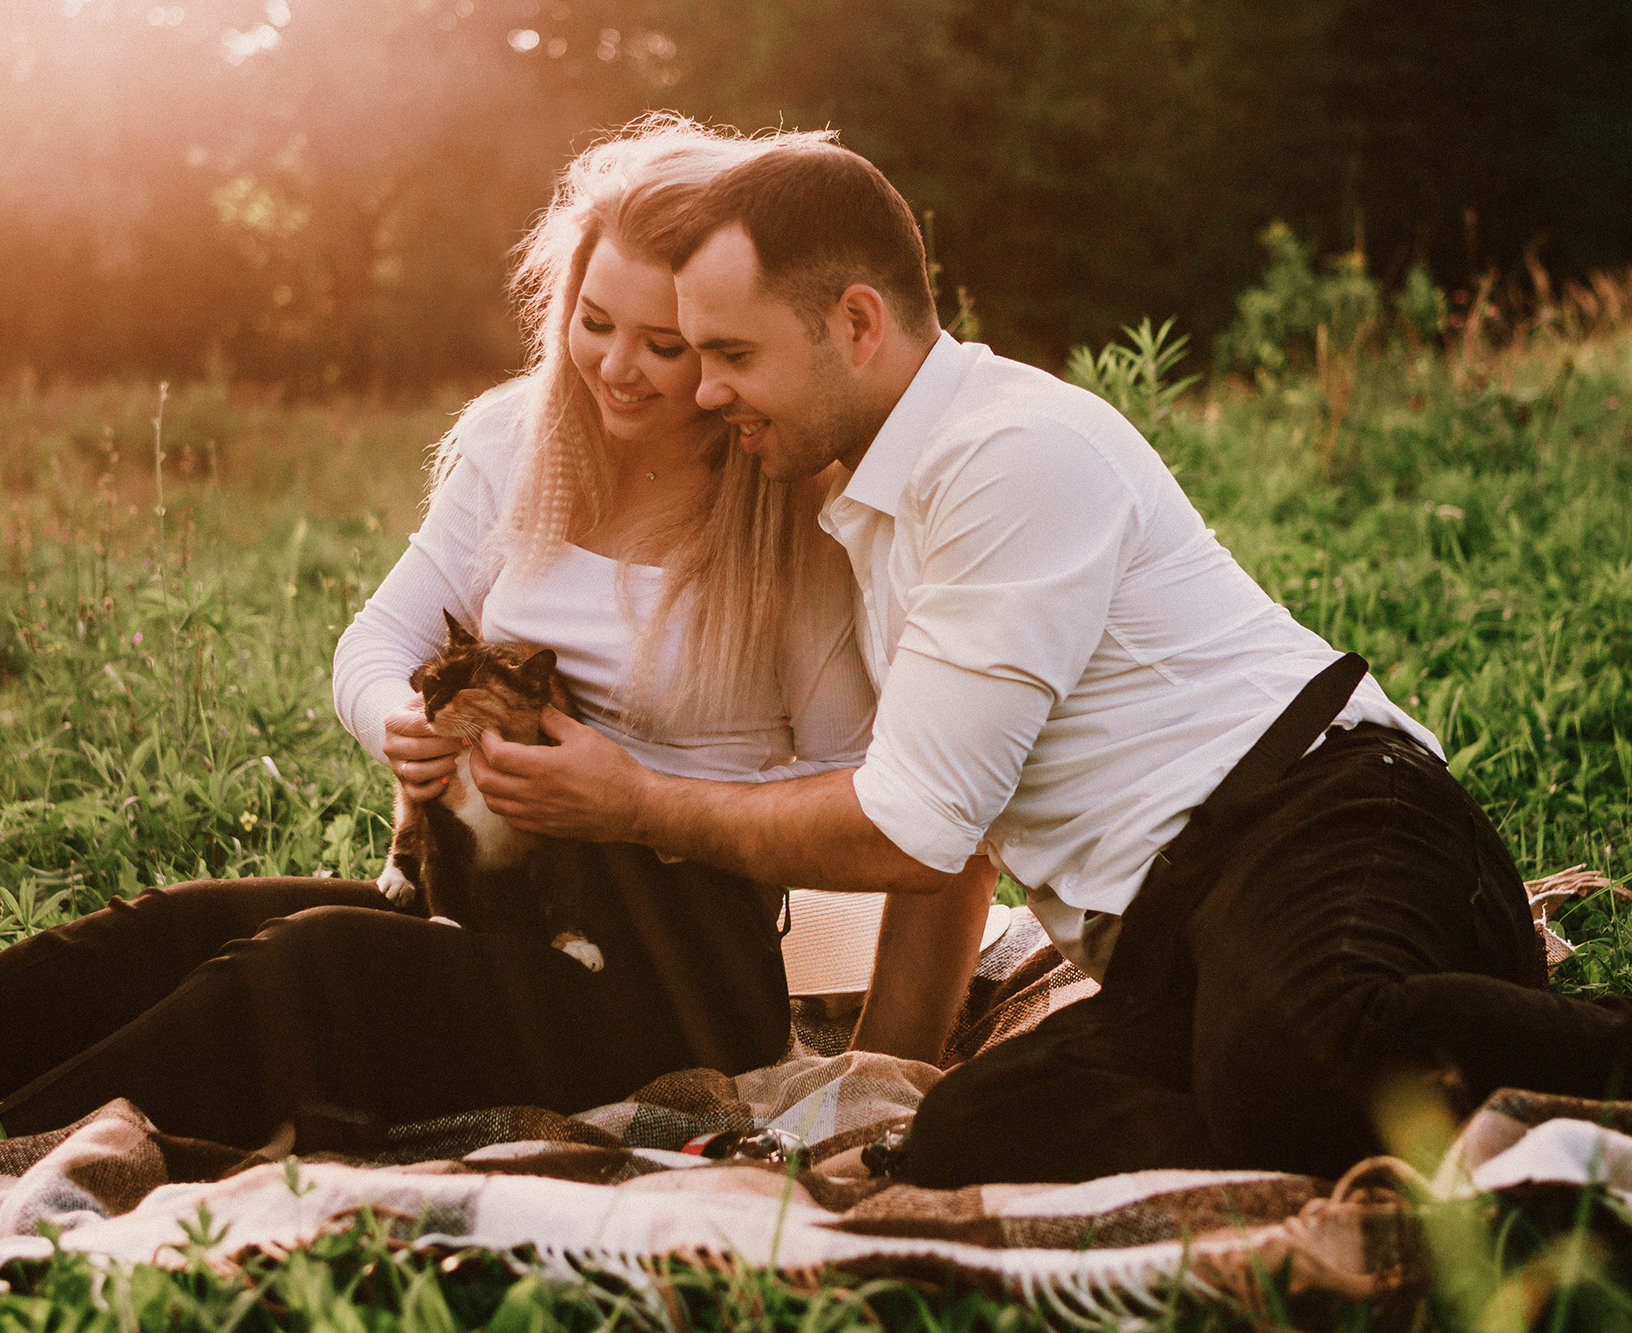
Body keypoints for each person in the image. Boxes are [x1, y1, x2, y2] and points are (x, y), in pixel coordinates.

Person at [0, 118, 908, 1188]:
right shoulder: (516, 439)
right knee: (153, 928)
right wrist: (397, 728)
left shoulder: (785, 512)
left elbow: (856, 800)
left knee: (304, 965)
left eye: (668, 345)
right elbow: (377, 640)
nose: (616, 369)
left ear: (722, 333)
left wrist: (636, 799)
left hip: (661, 979)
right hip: (479, 904)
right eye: (593, 322)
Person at [472, 134, 1632, 1186]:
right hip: (1170, 938)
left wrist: (636, 806)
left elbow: (906, 828)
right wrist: (882, 1069)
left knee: (1297, 1058)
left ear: (857, 324)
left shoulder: (1003, 453)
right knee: (964, 1142)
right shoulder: (863, 503)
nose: (703, 388)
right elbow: (958, 831)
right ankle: (1318, 1095)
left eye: (730, 352)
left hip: (1322, 820)